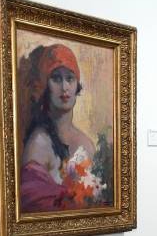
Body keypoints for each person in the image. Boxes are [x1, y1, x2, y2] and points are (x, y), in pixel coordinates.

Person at [20, 44, 106, 212]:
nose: (64, 87)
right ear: (45, 86)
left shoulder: (87, 144)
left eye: (70, 79)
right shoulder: (38, 144)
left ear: (77, 86)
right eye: (56, 78)